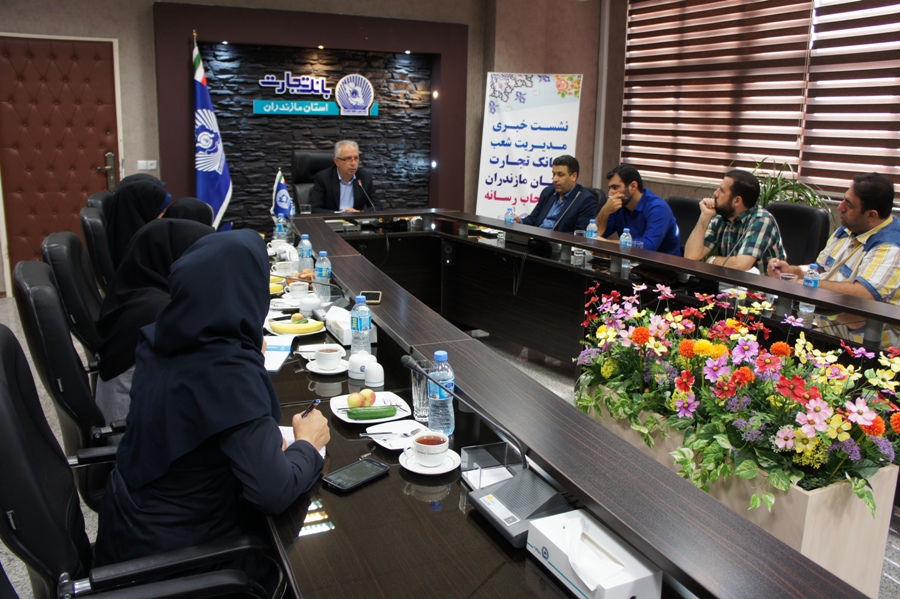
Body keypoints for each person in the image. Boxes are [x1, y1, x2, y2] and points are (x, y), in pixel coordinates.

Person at [94, 229, 330, 589]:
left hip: (130, 538)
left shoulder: (160, 337)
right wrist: (308, 445)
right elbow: (273, 492)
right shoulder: (227, 370)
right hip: (184, 563)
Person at [94, 219, 214, 426]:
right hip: (132, 434)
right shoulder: (159, 313)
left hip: (134, 421)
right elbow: (207, 376)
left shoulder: (137, 296)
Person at [767, 173, 900, 346]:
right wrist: (793, 271)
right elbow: (820, 269)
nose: (840, 207)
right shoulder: (847, 230)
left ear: (871, 215)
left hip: (870, 348)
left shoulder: (891, 245)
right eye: (843, 199)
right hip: (830, 336)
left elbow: (864, 295)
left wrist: (804, 284)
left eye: (849, 204)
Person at [684, 169, 786, 272]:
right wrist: (705, 216)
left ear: (737, 201)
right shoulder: (720, 219)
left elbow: (741, 265)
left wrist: (712, 260)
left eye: (721, 190)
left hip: (760, 282)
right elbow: (690, 257)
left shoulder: (761, 220)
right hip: (729, 282)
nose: (715, 193)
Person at [595, 164, 681, 255]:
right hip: (628, 260)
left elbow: (647, 247)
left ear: (633, 186)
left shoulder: (658, 208)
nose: (610, 194)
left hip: (661, 262)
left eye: (615, 188)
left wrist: (606, 243)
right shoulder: (618, 205)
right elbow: (593, 236)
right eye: (610, 188)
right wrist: (604, 212)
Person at [514, 155, 598, 234]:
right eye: (554, 174)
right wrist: (520, 221)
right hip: (536, 239)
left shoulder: (585, 200)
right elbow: (533, 219)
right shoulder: (548, 192)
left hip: (557, 243)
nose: (555, 179)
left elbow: (580, 234)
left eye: (560, 175)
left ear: (574, 176)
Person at [105, 174, 172, 267]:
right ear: (144, 206)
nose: (164, 212)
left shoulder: (126, 226)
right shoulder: (134, 242)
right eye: (159, 209)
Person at [309, 140, 380, 213]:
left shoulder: (364, 178)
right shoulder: (323, 178)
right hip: (333, 219)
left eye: (356, 158)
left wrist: (359, 212)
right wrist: (339, 214)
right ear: (336, 161)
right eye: (348, 159)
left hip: (356, 219)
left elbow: (377, 207)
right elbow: (314, 209)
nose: (353, 163)